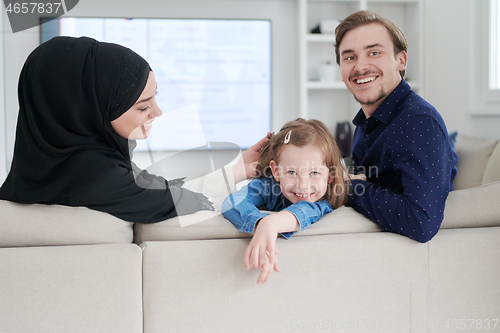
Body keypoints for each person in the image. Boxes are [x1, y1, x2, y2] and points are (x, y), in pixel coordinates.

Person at [0, 36, 268, 222]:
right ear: (89, 109)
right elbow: (182, 200)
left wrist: (238, 170)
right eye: (142, 106)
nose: (158, 112)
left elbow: (158, 189)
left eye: (155, 98)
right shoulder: (97, 176)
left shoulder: (41, 176)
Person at [334, 11, 459, 243]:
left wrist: (351, 188)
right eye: (349, 57)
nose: (360, 66)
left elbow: (421, 222)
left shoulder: (418, 121)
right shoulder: (367, 120)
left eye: (374, 52)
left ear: (401, 60)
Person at [222, 118, 347, 284]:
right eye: (292, 172)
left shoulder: (326, 199)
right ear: (276, 171)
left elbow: (305, 209)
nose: (303, 186)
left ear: (330, 174)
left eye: (314, 173)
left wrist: (271, 223)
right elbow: (232, 202)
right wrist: (259, 222)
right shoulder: (270, 186)